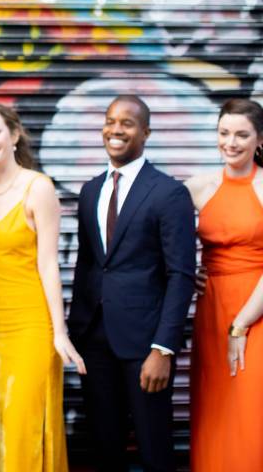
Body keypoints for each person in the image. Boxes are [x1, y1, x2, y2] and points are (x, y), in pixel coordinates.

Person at [68, 95, 196, 472]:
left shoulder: (169, 192)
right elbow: (88, 266)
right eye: (110, 121)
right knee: (103, 447)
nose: (116, 130)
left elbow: (181, 274)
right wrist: (75, 334)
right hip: (94, 341)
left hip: (145, 344)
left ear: (146, 132)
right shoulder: (91, 190)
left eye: (127, 123)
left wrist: (163, 348)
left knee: (153, 446)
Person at [0, 103, 83, 472]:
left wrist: (59, 332)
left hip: (32, 326)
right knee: (4, 425)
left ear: (14, 135)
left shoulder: (37, 187)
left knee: (25, 424)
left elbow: (49, 265)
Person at [185, 98, 263, 472]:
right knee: (213, 408)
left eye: (242, 135)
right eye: (224, 133)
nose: (231, 142)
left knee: (250, 409)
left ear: (259, 139)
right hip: (211, 309)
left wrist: (241, 324)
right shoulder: (197, 188)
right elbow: (161, 239)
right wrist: (188, 271)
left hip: (256, 309)